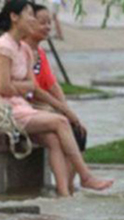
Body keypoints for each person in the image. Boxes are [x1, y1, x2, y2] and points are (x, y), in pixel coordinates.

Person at [0, 0, 113, 197]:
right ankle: (85, 176)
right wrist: (24, 87)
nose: (33, 20)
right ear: (14, 17)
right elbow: (3, 88)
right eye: (30, 15)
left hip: (19, 105)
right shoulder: (3, 47)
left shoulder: (24, 49)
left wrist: (62, 106)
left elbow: (33, 87)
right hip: (1, 108)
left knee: (53, 139)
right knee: (60, 122)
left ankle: (64, 193)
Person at [24, 3, 88, 193]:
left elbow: (52, 85)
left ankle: (67, 186)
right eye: (42, 22)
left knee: (78, 132)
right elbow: (33, 90)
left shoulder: (41, 54)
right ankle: (67, 188)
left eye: (49, 23)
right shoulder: (22, 52)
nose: (47, 27)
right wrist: (64, 111)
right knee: (59, 133)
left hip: (44, 107)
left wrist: (68, 110)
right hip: (27, 108)